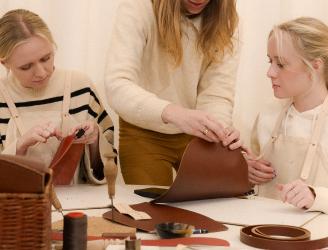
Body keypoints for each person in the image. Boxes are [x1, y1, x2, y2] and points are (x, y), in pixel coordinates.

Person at [105, 0, 242, 185]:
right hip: (143, 131)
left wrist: (221, 131)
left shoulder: (227, 20)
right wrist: (174, 113)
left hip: (198, 133)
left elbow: (216, 94)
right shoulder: (138, 7)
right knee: (152, 212)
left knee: (211, 207)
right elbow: (117, 84)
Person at [0, 9, 117, 187]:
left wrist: (94, 140)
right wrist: (20, 145)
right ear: (4, 62)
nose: (41, 72)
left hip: (80, 208)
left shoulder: (81, 86)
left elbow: (110, 165)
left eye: (46, 58)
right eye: (26, 67)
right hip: (19, 211)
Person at [244, 17, 328, 213]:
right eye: (270, 61)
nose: (270, 72)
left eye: (280, 64)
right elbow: (248, 190)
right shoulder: (267, 116)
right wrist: (245, 172)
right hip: (261, 231)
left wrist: (317, 197)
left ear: (316, 65)